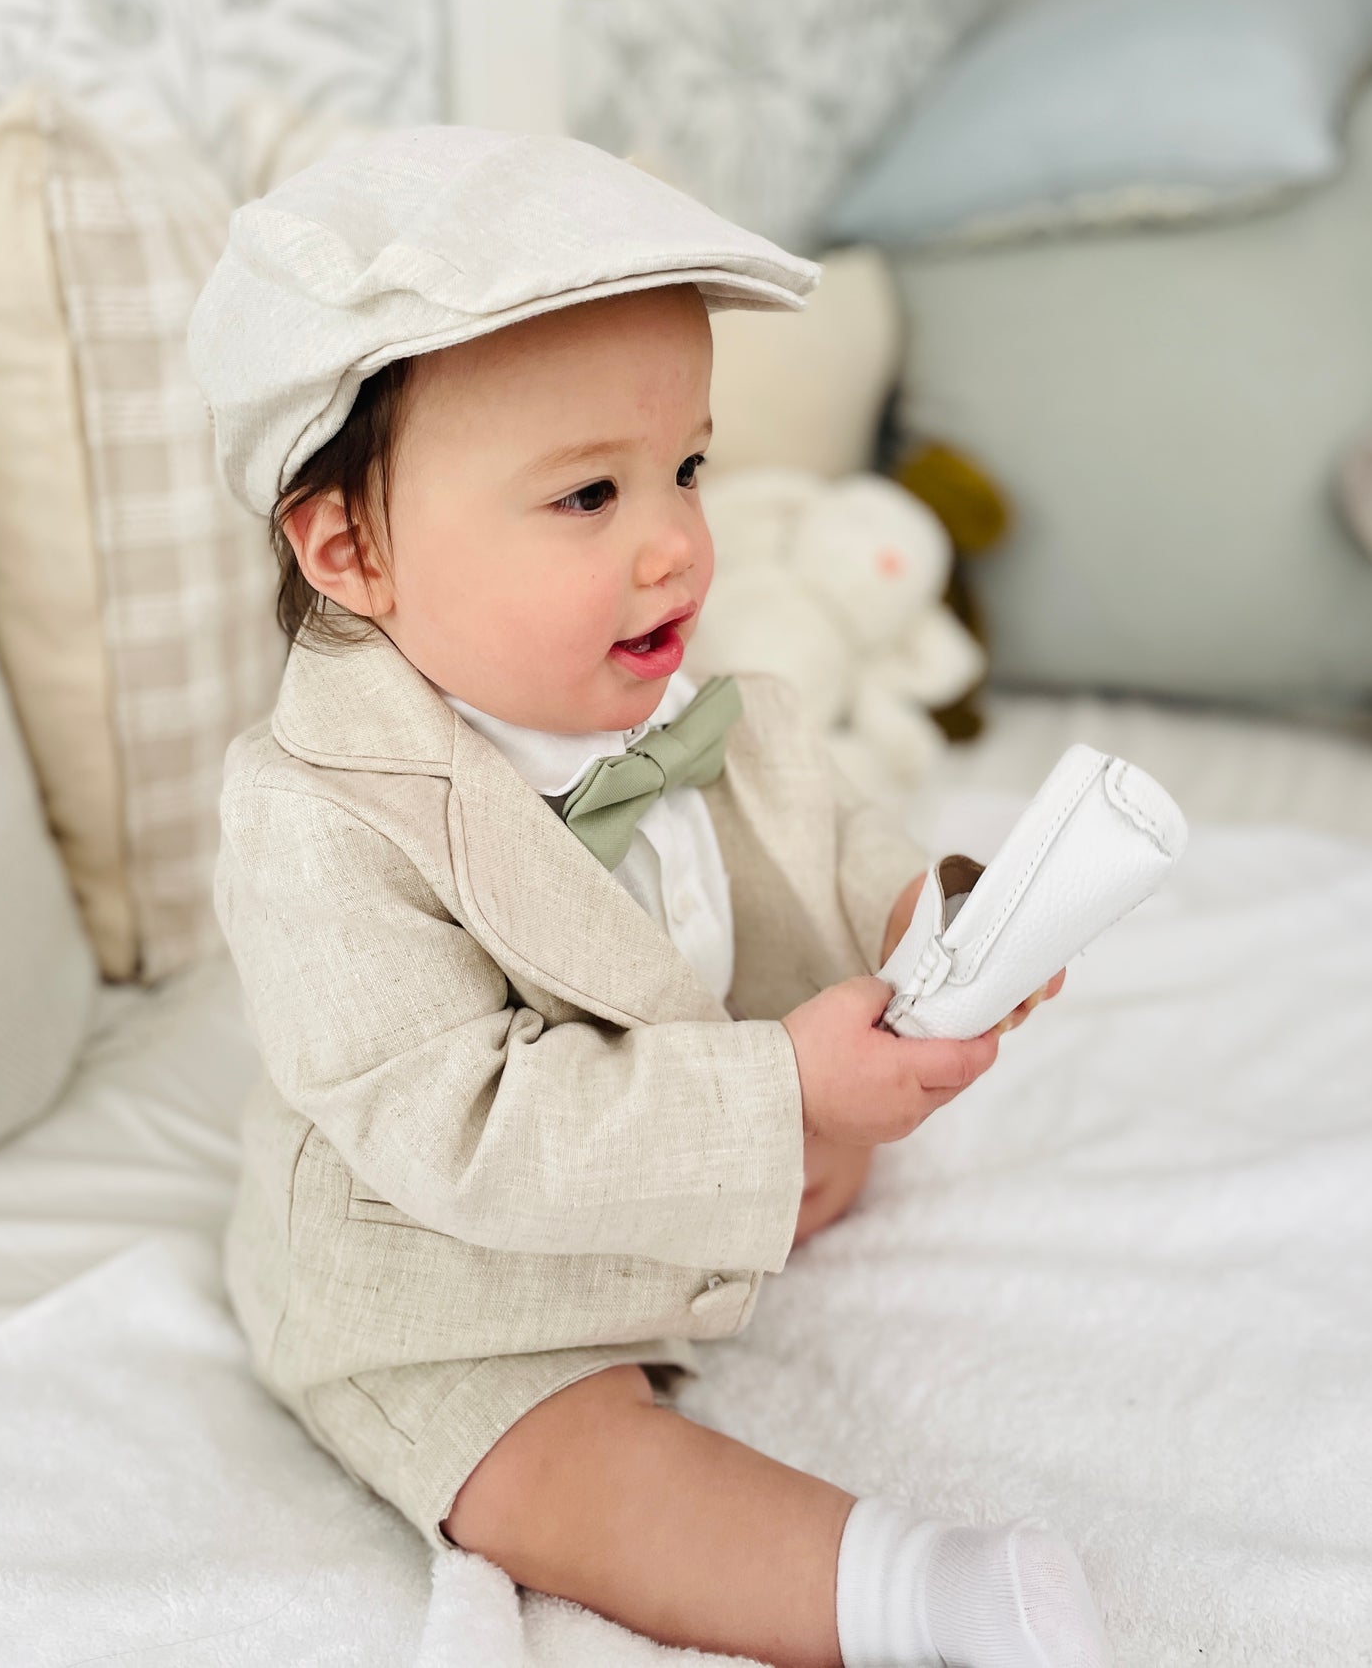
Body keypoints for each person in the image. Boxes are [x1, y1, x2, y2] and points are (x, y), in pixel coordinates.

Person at [190, 126, 1108, 1668]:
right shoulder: (315, 824)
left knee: (830, 1147)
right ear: (348, 547)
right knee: (555, 1468)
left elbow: (820, 829)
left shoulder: (687, 694)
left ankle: (756, 1188)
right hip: (442, 1276)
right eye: (586, 498)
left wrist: (926, 916)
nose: (676, 541)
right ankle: (918, 1594)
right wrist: (777, 1095)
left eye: (684, 466)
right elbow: (465, 1129)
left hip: (685, 1173)